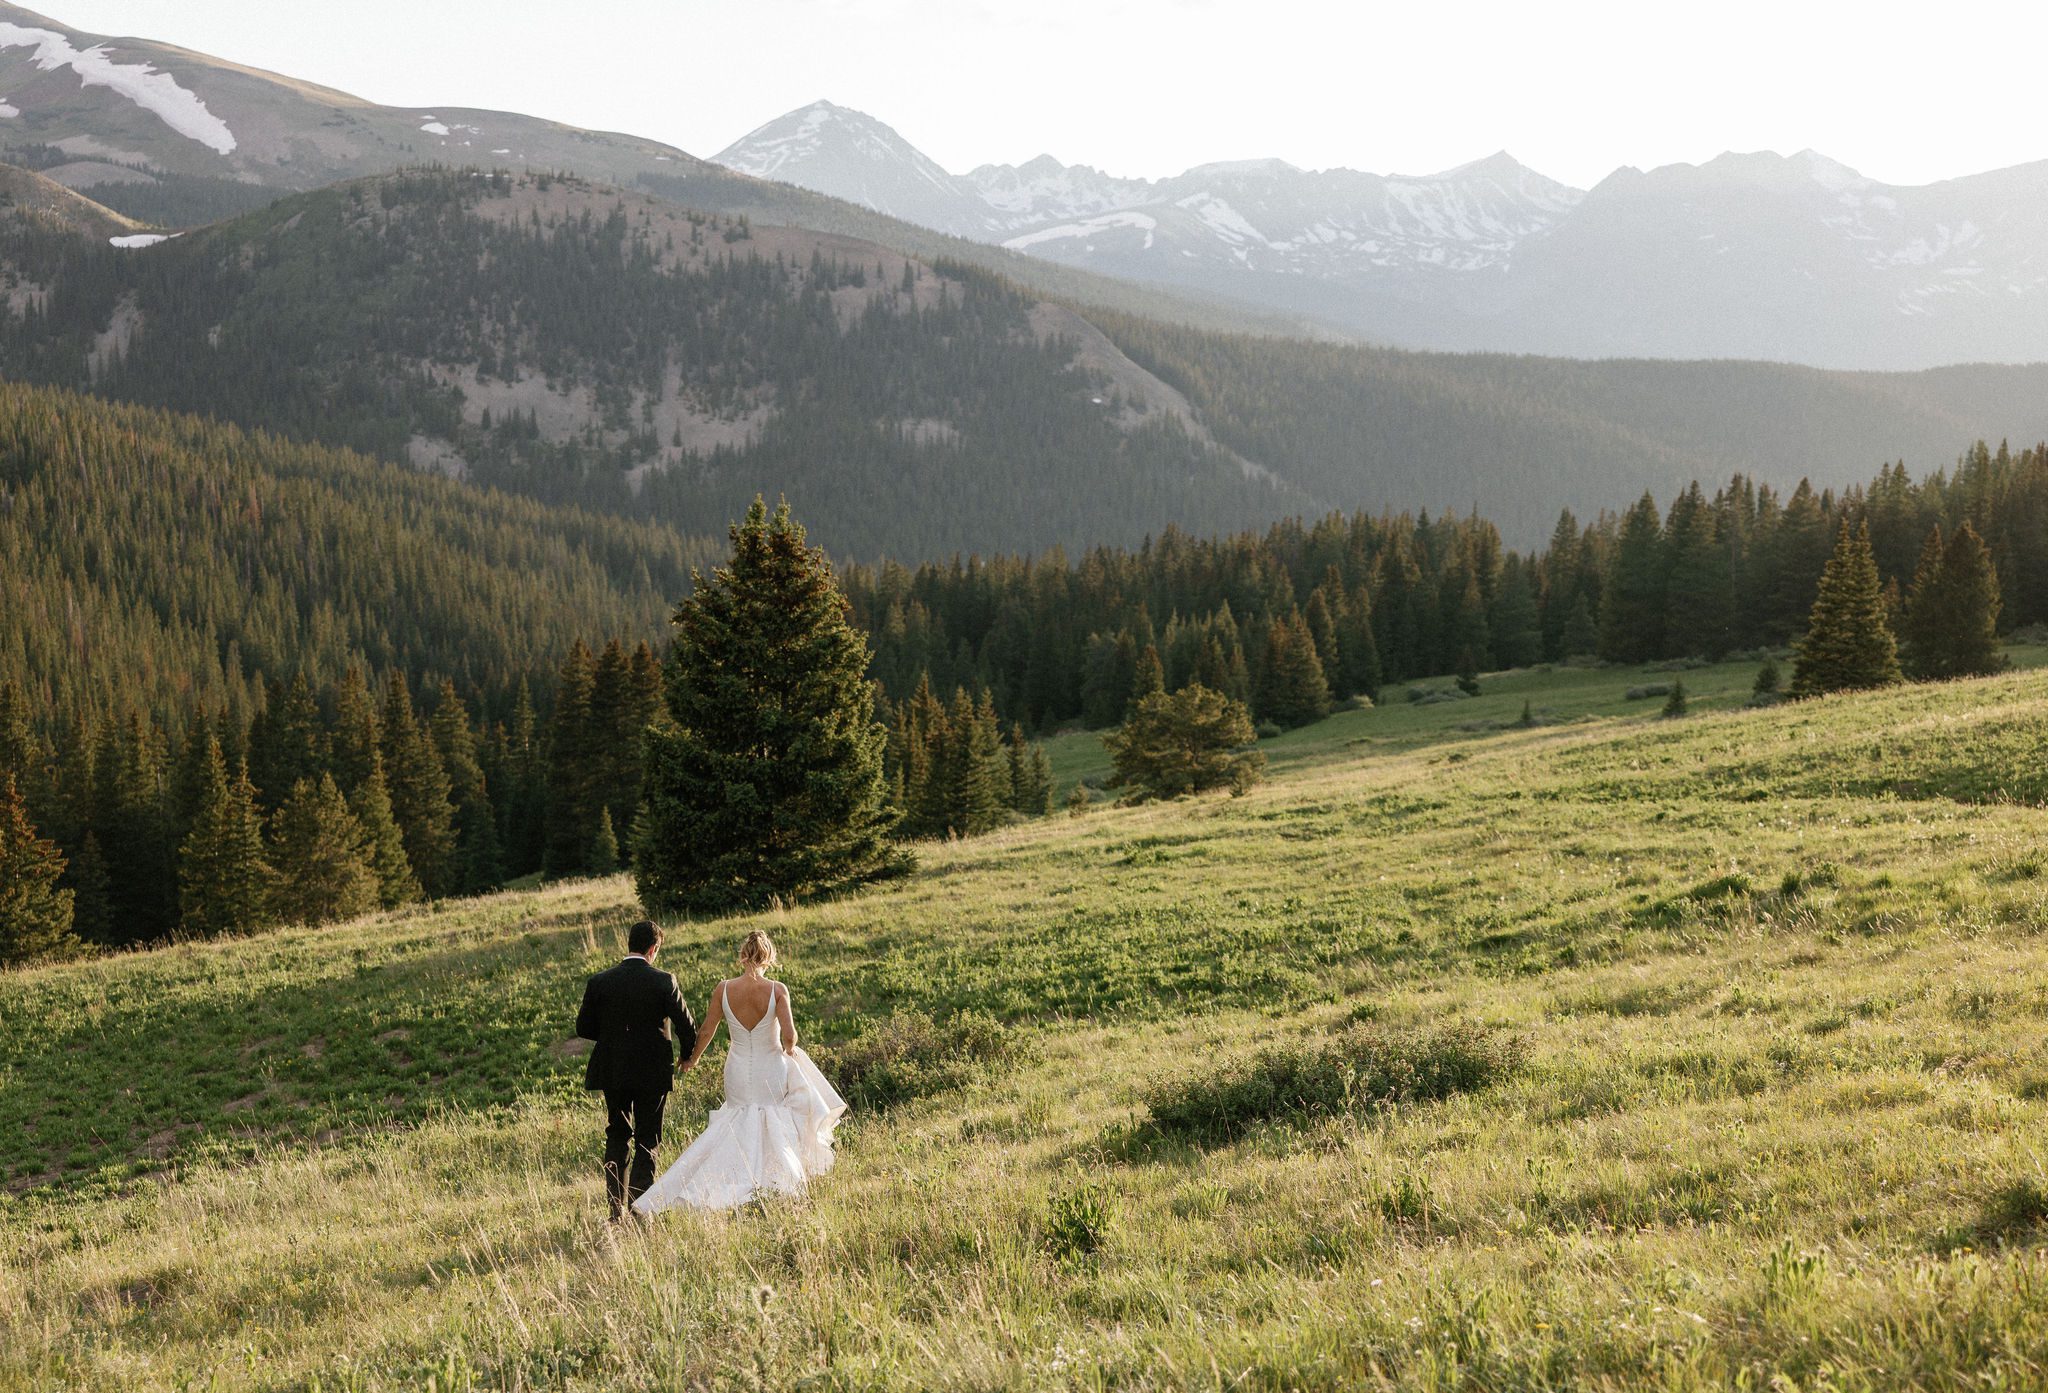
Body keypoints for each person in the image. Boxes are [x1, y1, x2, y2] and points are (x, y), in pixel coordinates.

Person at [633, 928, 846, 1213]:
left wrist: (692, 1058)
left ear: (743, 955)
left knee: (737, 1119)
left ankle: (723, 1180)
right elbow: (790, 1038)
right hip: (770, 1066)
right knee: (771, 1122)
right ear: (768, 957)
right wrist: (789, 1049)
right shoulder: (777, 990)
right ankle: (773, 1185)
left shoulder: (724, 989)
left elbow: (707, 1030)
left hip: (737, 1067)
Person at [575, 918, 697, 1221]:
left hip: (613, 1068)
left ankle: (616, 1210)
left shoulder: (600, 981)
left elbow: (583, 1027)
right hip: (652, 1070)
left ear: (629, 944)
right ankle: (641, 1209)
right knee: (648, 1137)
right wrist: (685, 1056)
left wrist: (613, 1036)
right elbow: (687, 1026)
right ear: (653, 949)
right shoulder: (663, 980)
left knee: (617, 1133)